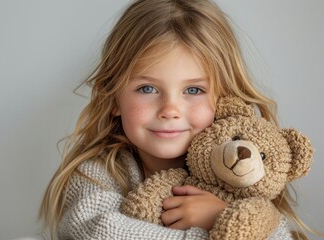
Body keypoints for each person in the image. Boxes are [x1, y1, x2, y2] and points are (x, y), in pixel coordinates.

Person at [38, 0, 312, 239]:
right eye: (147, 88)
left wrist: (226, 215)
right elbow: (97, 232)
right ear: (113, 99)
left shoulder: (243, 174)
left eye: (193, 90)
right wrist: (209, 233)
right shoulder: (98, 172)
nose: (170, 110)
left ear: (225, 100)